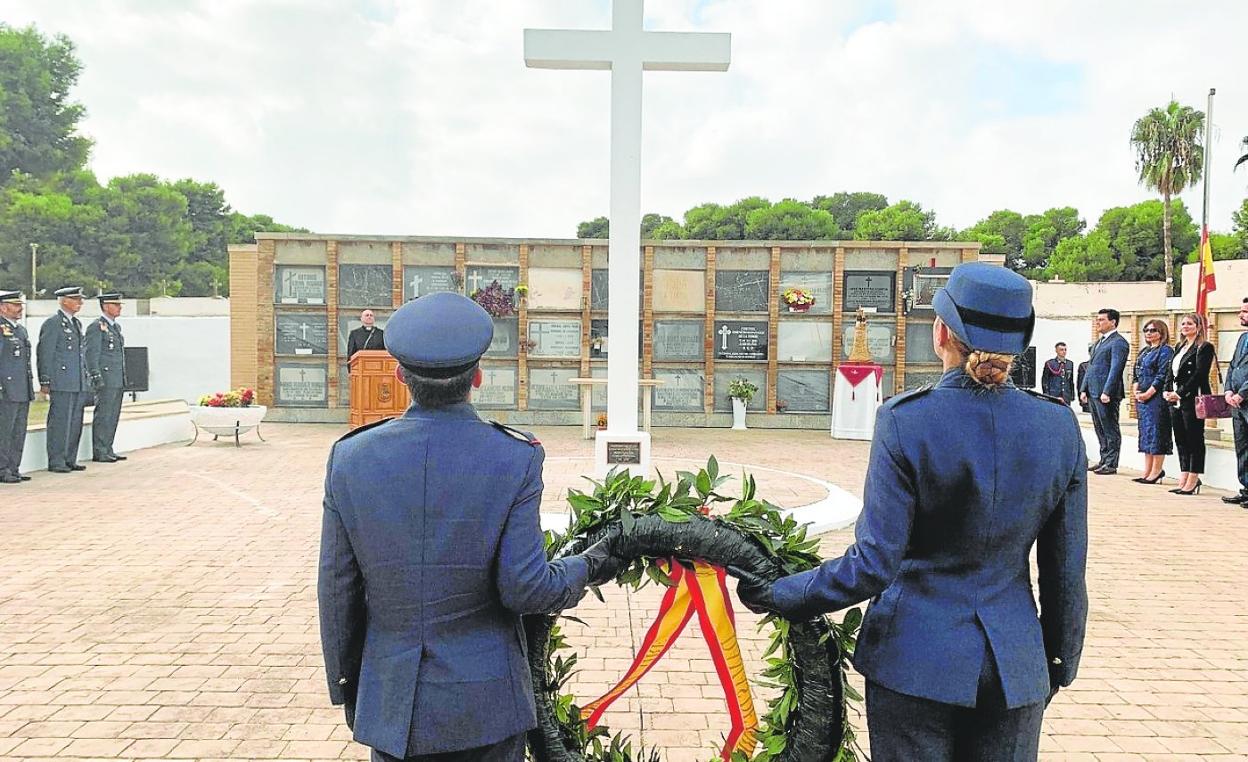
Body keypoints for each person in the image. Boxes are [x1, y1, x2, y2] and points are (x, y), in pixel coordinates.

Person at [733, 263, 1087, 761]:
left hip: (913, 660)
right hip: (1015, 666)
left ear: (941, 332)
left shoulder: (907, 421)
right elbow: (1065, 570)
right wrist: (1057, 661)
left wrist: (780, 591)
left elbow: (874, 563)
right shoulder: (1058, 427)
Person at [318, 292, 625, 762]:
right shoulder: (512, 456)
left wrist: (350, 686)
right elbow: (526, 587)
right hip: (486, 705)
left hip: (392, 702)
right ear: (478, 377)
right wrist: (592, 561)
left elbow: (337, 589)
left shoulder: (351, 457)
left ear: (401, 377)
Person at [36, 286, 90, 473]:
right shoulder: (53, 323)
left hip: (77, 380)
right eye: (76, 299)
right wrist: (45, 380)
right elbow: (45, 352)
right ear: (64, 301)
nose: (80, 303)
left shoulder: (76, 324)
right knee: (60, 421)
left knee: (75, 421)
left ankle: (69, 458)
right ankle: (57, 459)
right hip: (62, 380)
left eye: (80, 300)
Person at [1163, 313, 1215, 496]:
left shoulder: (1204, 347)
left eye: (1190, 323)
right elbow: (1171, 371)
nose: (1185, 326)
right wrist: (1167, 390)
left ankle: (1193, 478)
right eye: (1183, 323)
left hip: (1192, 399)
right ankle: (1183, 475)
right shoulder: (1179, 346)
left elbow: (1199, 375)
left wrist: (1180, 392)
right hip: (1175, 401)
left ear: (1198, 326)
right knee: (1181, 439)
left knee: (1194, 439)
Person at [1080, 308, 1129, 475]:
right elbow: (1091, 367)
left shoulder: (1118, 342)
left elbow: (1116, 369)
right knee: (1099, 427)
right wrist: (1084, 388)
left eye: (1102, 319)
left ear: (1113, 322)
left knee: (1110, 427)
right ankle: (1103, 459)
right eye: (1097, 319)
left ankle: (1111, 462)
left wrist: (1107, 391)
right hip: (1093, 391)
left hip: (1106, 393)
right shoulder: (1098, 343)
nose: (1098, 322)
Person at [84, 292, 127, 463]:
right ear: (106, 306)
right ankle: (100, 450)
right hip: (106, 377)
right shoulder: (96, 327)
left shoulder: (115, 327)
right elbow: (91, 353)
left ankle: (108, 447)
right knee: (103, 414)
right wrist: (95, 374)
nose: (119, 308)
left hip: (116, 378)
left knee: (113, 415)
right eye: (115, 305)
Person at [1131, 320, 1173, 484]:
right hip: (1142, 398)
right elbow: (1136, 373)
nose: (1149, 333)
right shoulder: (1144, 351)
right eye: (1146, 330)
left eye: (1153, 330)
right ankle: (1147, 470)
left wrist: (1149, 393)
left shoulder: (1165, 351)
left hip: (1156, 399)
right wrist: (1136, 390)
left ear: (1161, 332)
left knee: (1157, 432)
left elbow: (1162, 375)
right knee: (1146, 433)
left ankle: (1157, 470)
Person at [0, 290, 34, 484]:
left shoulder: (20, 330)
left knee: (18, 431)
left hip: (21, 388)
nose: (20, 308)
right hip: (6, 389)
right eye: (15, 305)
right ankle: (2, 469)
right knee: (4, 432)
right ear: (3, 307)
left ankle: (14, 467)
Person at [1222, 298, 1248, 506]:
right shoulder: (1242, 338)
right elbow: (1233, 367)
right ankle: (1246, 488)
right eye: (1241, 311)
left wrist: (1242, 393)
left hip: (1245, 399)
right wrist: (1229, 390)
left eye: (1245, 312)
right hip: (1237, 404)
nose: (1241, 315)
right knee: (1242, 447)